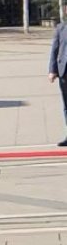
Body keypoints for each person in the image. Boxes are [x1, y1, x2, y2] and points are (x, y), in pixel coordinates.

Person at [48, 10, 67, 148]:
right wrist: (52, 70)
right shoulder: (61, 28)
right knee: (66, 106)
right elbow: (54, 49)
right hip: (64, 72)